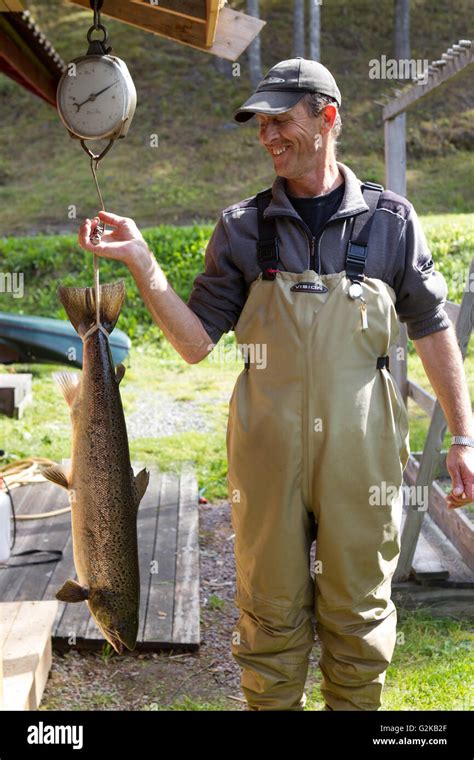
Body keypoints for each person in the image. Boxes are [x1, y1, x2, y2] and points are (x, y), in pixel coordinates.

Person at [78, 58, 474, 711]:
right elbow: (195, 344)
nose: (268, 137)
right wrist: (144, 264)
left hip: (362, 460)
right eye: (261, 125)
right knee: (268, 625)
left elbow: (433, 327)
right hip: (266, 462)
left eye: (281, 121)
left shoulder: (390, 222)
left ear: (328, 118)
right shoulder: (242, 228)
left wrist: (462, 435)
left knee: (360, 624)